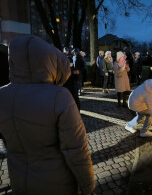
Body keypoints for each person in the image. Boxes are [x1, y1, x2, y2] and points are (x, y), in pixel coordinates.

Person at [0, 35, 95, 195]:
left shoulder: (2, 95)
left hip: (19, 182)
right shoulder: (59, 96)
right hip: (58, 185)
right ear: (50, 63)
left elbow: (6, 143)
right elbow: (76, 150)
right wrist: (88, 187)